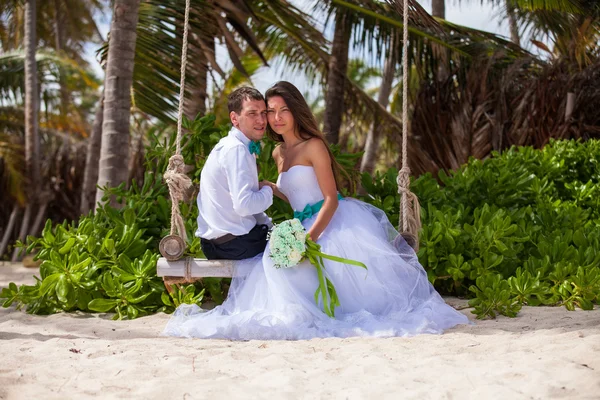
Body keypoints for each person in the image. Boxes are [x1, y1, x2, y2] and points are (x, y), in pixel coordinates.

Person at [164, 82, 469, 340]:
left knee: (306, 274)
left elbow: (329, 199)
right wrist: (272, 186)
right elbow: (295, 193)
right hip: (300, 223)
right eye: (270, 112)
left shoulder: (314, 146)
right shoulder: (277, 151)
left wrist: (307, 239)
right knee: (276, 268)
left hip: (331, 222)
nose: (276, 118)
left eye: (283, 110)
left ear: (296, 112)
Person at [195, 87, 273, 260]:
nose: (261, 120)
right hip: (234, 244)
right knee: (293, 254)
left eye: (263, 113)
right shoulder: (236, 150)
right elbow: (244, 205)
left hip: (218, 243)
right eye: (252, 113)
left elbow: (242, 203)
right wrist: (268, 191)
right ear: (234, 118)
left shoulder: (232, 145)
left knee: (283, 238)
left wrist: (269, 225)